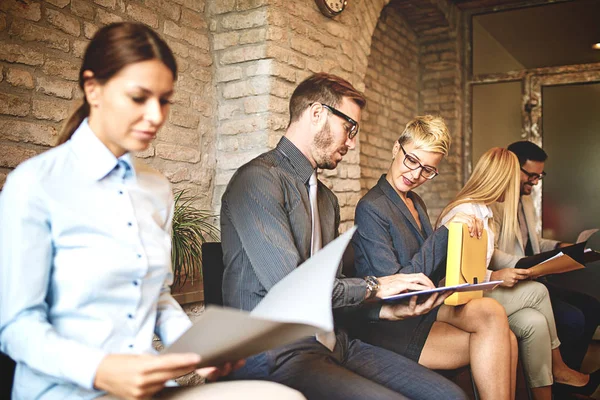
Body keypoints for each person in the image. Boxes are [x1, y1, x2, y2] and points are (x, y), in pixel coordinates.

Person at [0, 22, 304, 400]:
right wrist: (101, 370)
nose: (156, 115)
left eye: (163, 100)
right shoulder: (34, 184)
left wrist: (200, 349)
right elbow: (17, 327)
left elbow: (158, 298)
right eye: (139, 97)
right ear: (93, 89)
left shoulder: (156, 189)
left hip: (152, 390)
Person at [220, 73, 469, 400]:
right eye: (349, 128)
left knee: (450, 396)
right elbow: (292, 289)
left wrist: (383, 310)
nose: (352, 142)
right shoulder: (257, 181)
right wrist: (376, 286)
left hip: (334, 340)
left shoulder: (325, 200)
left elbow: (332, 287)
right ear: (316, 114)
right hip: (272, 349)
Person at [352, 117, 517, 400]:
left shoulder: (416, 201)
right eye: (411, 160)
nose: (416, 174)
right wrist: (446, 233)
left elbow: (432, 268)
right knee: (506, 340)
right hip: (394, 324)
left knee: (493, 313)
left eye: (428, 169)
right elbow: (397, 290)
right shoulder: (372, 208)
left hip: (425, 308)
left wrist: (466, 239)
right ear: (396, 148)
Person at [437, 147, 598, 400]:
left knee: (533, 321)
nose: (517, 188)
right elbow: (455, 276)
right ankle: (558, 368)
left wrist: (498, 274)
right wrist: (498, 275)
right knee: (537, 291)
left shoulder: (484, 213)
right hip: (462, 297)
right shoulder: (464, 215)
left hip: (480, 289)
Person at [490, 140, 600, 397]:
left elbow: (534, 243)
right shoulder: (494, 203)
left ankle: (567, 374)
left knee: (593, 307)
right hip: (517, 279)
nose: (536, 182)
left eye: (540, 175)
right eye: (532, 175)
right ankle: (560, 380)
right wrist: (521, 266)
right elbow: (491, 255)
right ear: (512, 168)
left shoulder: (527, 201)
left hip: (536, 277)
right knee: (573, 319)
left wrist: (565, 247)